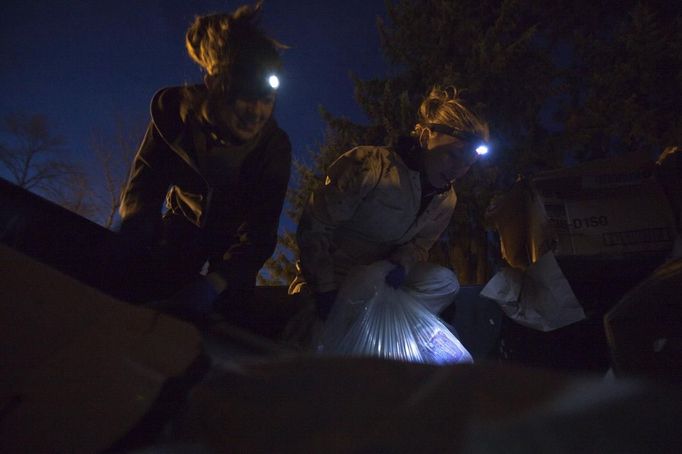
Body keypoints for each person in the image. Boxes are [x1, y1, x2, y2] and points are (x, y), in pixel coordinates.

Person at [115, 3, 291, 318]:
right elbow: (144, 184)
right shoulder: (174, 113)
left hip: (233, 247)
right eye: (244, 97)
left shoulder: (273, 148)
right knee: (143, 289)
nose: (256, 112)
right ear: (213, 85)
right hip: (183, 224)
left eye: (267, 100)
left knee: (229, 313)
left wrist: (215, 283)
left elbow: (259, 233)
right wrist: (137, 231)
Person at [294, 86, 489, 320]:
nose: (459, 170)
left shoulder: (446, 200)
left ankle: (391, 328)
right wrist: (324, 289)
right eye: (453, 155)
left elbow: (420, 245)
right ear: (426, 137)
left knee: (443, 282)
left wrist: (402, 263)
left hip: (382, 280)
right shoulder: (372, 166)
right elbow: (314, 226)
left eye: (468, 163)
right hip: (335, 277)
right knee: (322, 342)